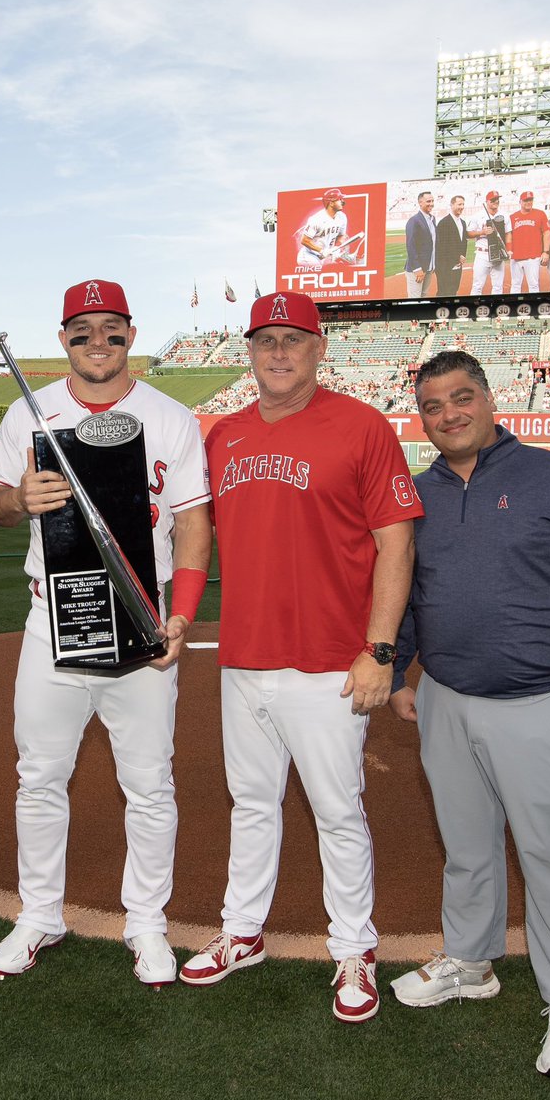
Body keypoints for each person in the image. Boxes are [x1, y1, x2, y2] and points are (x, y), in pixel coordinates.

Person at [388, 350, 550, 1084]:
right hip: (445, 699)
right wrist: (406, 666)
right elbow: (407, 589)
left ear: (491, 399)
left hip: (542, 702)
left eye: (461, 398)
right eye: (433, 406)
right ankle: (471, 961)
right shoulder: (418, 493)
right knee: (467, 849)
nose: (448, 415)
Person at [179, 291, 422, 1023]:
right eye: (264, 341)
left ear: (320, 349)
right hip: (246, 656)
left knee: (336, 811)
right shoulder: (222, 435)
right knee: (251, 804)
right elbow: (194, 534)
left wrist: (380, 650)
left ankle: (354, 947)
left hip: (329, 662)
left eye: (293, 339)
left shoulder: (363, 425)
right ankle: (242, 930)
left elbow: (396, 543)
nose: (278, 353)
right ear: (248, 353)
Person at [0, 279, 212, 987]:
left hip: (142, 623)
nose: (98, 342)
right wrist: (18, 499)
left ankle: (146, 922)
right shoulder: (31, 413)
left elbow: (195, 524)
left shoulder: (171, 417)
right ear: (64, 341)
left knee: (149, 785)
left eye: (111, 329)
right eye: (83, 331)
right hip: (55, 621)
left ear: (131, 334)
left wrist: (184, 613)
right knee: (40, 777)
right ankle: (40, 912)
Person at [468, 190, 512, 295]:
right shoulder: (477, 215)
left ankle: (495, 309)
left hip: (498, 252)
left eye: (497, 199)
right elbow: (469, 233)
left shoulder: (504, 215)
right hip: (482, 254)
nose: (495, 201)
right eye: (492, 200)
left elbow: (508, 234)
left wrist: (509, 250)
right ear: (487, 201)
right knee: (477, 286)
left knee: (498, 286)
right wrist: (482, 232)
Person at [296, 189, 352, 266]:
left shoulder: (342, 217)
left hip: (324, 256)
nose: (342, 202)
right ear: (331, 203)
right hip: (309, 255)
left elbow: (341, 236)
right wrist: (322, 250)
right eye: (339, 199)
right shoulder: (316, 219)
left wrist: (336, 248)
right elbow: (304, 240)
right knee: (320, 273)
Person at [509, 190, 550, 292]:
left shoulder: (540, 214)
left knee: (533, 285)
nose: (528, 202)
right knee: (515, 285)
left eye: (530, 200)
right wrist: (509, 250)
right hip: (516, 256)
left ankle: (535, 307)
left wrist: (546, 252)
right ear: (520, 202)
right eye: (526, 200)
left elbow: (547, 233)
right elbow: (508, 235)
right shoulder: (512, 217)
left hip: (533, 257)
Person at [403, 190, 438, 298]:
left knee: (423, 295)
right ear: (420, 203)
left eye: (432, 201)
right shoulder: (414, 220)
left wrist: (433, 264)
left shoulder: (432, 219)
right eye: (428, 201)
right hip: (417, 269)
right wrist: (417, 268)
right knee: (414, 298)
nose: (431, 204)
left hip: (428, 267)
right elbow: (410, 245)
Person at [434, 195, 469, 297]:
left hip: (457, 264)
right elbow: (442, 246)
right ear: (452, 205)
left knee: (453, 290)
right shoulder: (444, 223)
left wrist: (462, 256)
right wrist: (457, 256)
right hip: (445, 265)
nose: (461, 207)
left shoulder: (462, 223)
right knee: (443, 292)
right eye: (459, 204)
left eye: (463, 204)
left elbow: (463, 242)